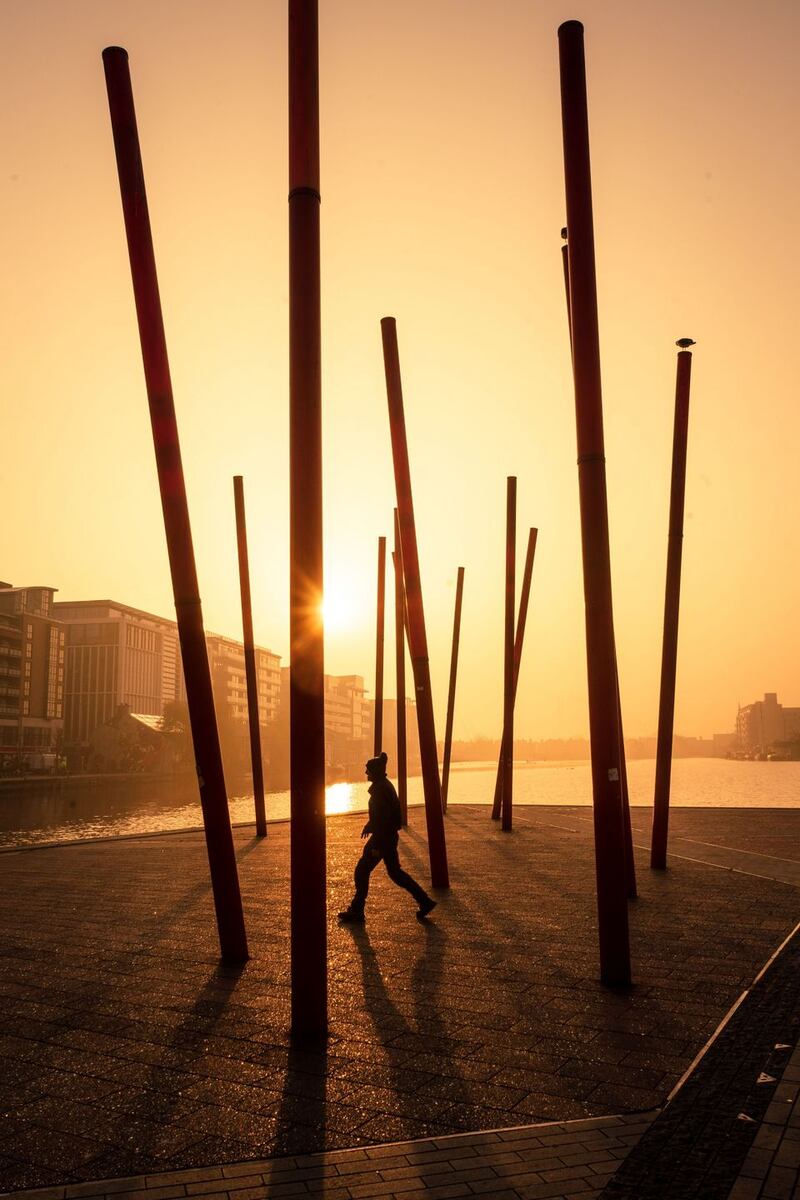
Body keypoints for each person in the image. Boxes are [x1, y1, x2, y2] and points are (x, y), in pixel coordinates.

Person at [338, 751, 437, 924]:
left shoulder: (379, 790)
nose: (365, 773)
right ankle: (424, 901)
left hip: (382, 839)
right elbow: (383, 815)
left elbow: (382, 818)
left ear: (375, 771)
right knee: (395, 873)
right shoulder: (384, 786)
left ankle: (357, 911)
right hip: (387, 837)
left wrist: (376, 843)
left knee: (362, 870)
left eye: (368, 770)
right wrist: (370, 825)